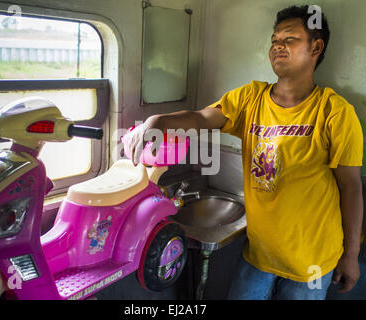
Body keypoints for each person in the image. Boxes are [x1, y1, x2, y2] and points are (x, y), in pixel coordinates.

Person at [125, 5, 364, 299]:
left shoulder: (334, 112)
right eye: (275, 39)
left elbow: (351, 188)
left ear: (315, 47)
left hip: (311, 262)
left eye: (289, 39)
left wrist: (351, 255)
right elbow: (202, 119)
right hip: (259, 254)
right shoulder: (251, 98)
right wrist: (159, 121)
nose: (277, 45)